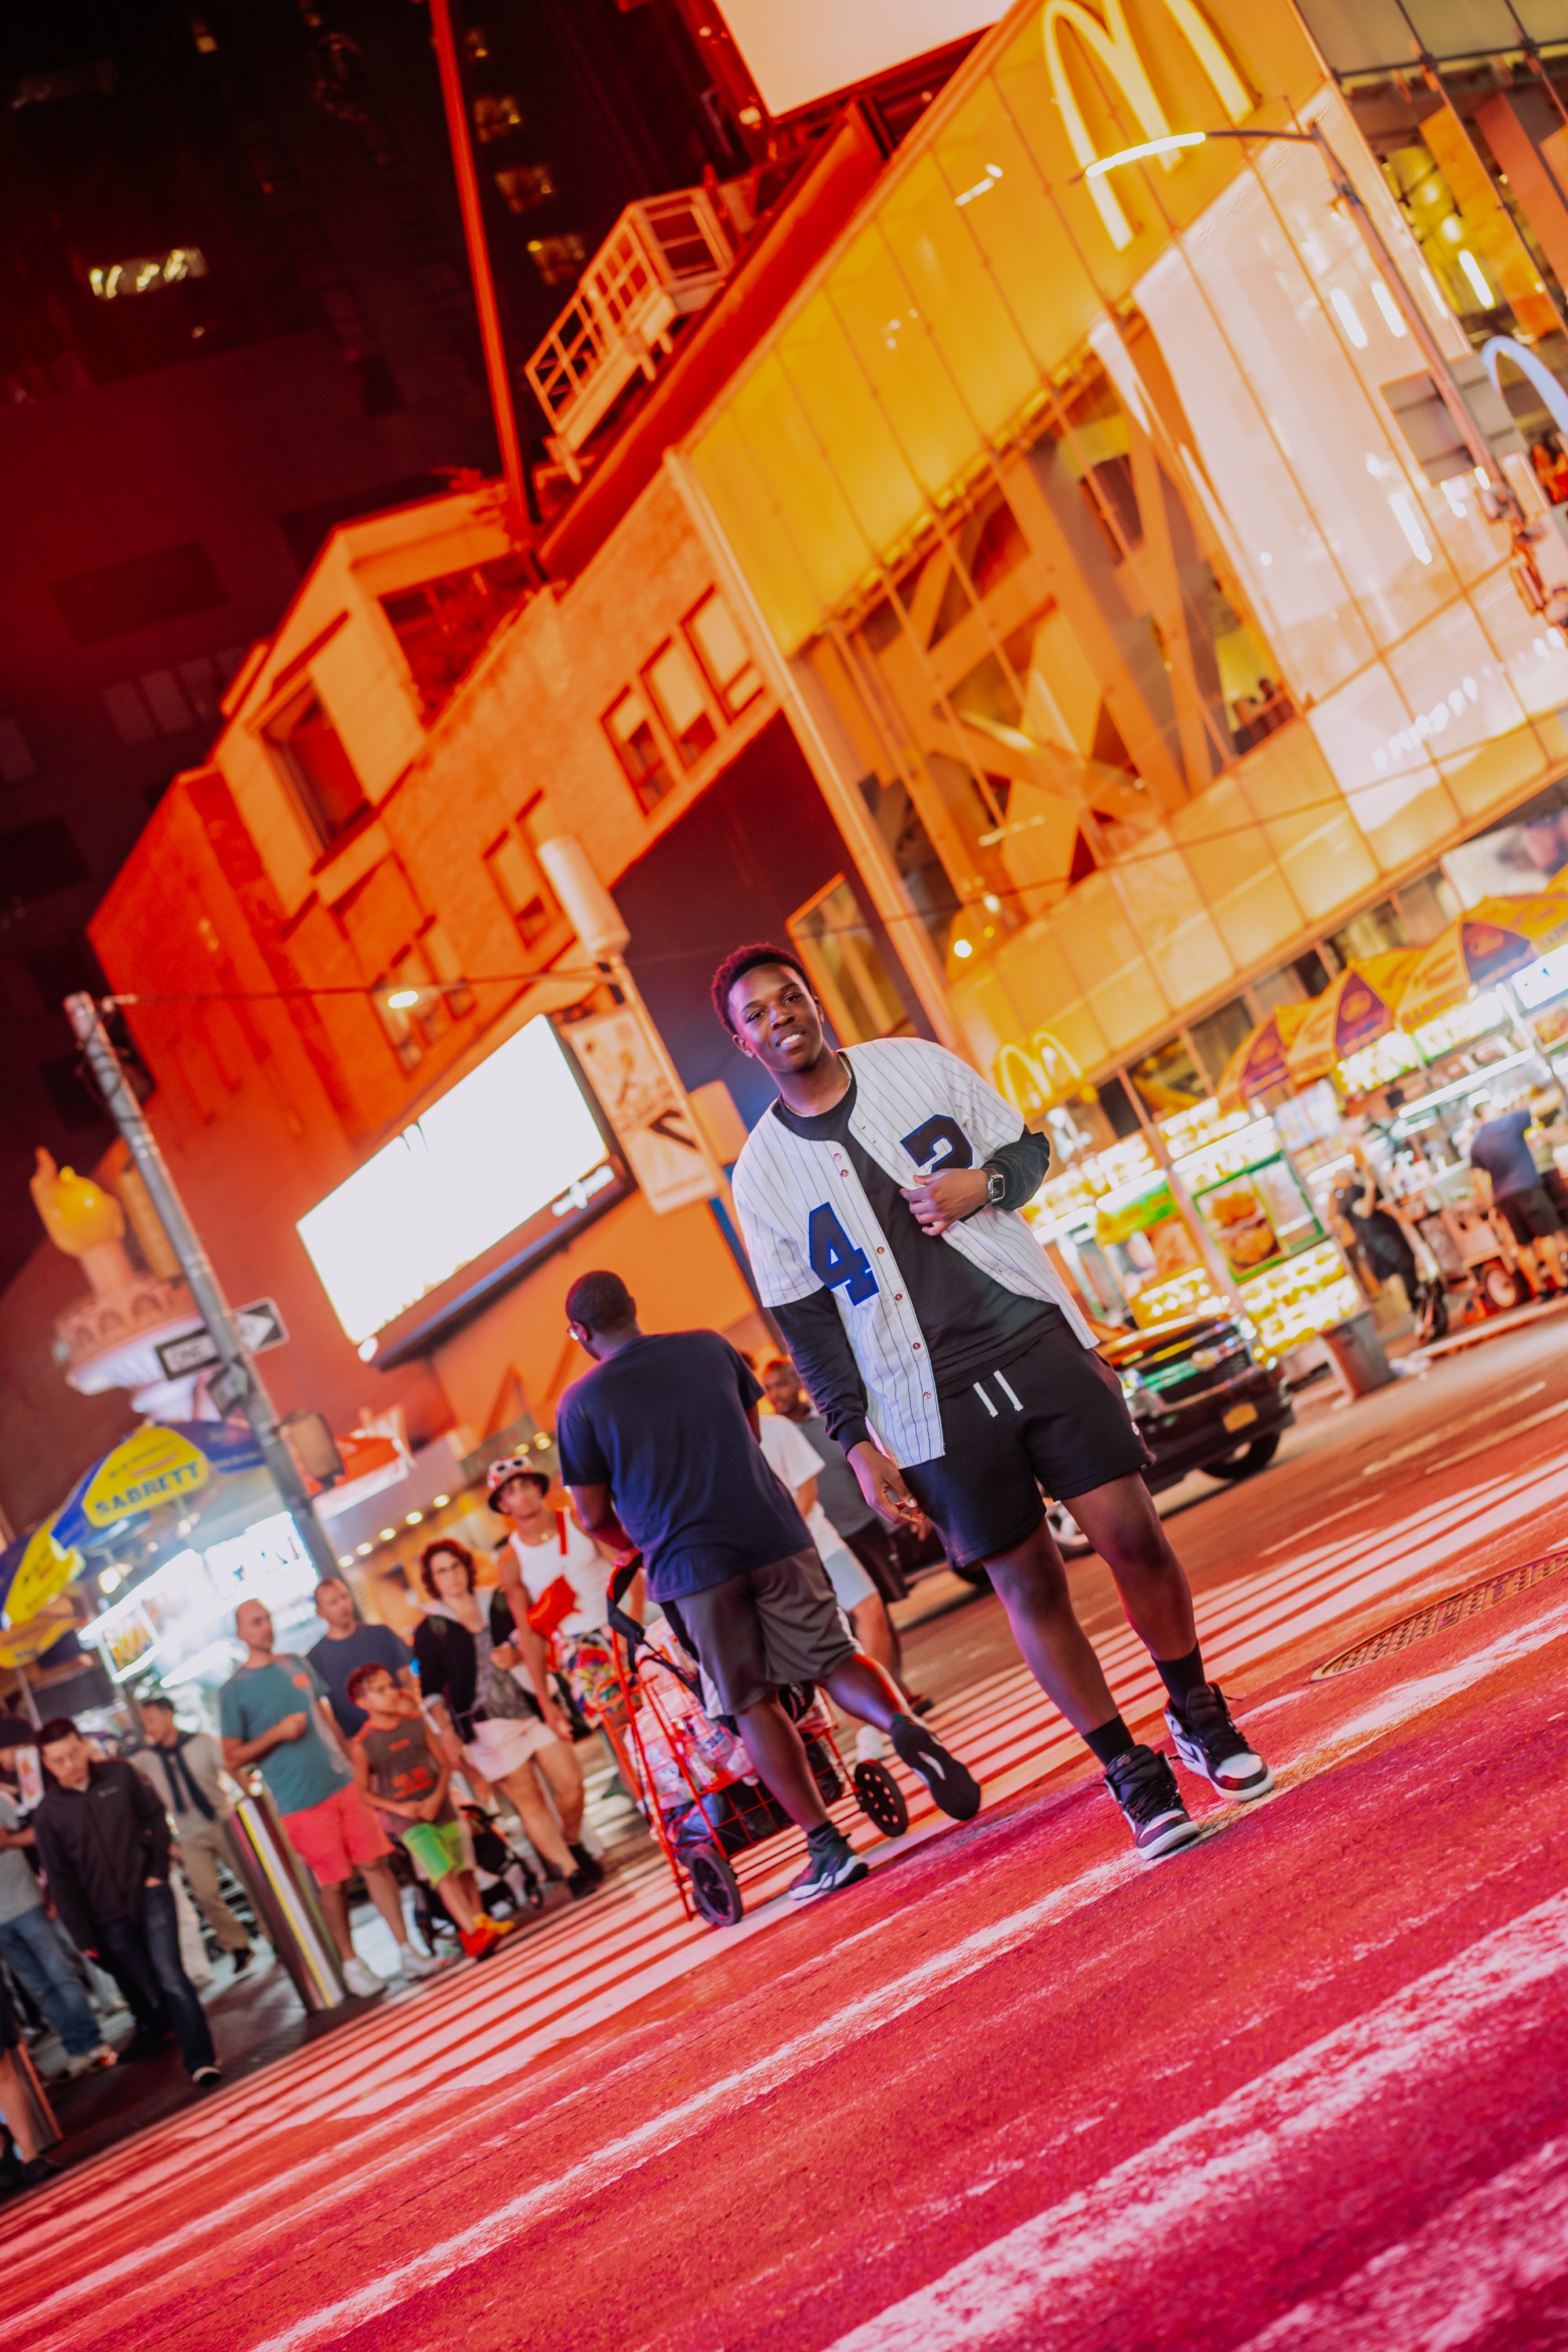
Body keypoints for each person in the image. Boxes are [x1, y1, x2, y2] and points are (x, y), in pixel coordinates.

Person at [717, 942, 1274, 1861]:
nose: (781, 1018)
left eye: (790, 997)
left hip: (1028, 1333)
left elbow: (1029, 1146)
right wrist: (854, 1441)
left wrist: (986, 1184)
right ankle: (1127, 1771)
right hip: (921, 1400)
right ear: (744, 1043)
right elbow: (807, 1327)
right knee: (1027, 1583)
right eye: (758, 1014)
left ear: (813, 1001)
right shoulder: (761, 1175)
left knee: (1131, 1534)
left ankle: (1195, 1712)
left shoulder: (913, 1065)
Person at [555, 1269, 979, 1904]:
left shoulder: (579, 1404)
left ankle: (827, 1847)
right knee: (832, 1657)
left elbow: (591, 1517)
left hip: (691, 1566)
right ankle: (901, 1723)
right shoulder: (709, 1347)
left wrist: (641, 1544)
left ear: (580, 1333)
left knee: (751, 1700)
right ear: (634, 1307)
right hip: (774, 1534)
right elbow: (749, 1436)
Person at [219, 1599, 439, 1992]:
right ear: (240, 1633)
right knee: (333, 1883)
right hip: (299, 1801)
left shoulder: (296, 1664)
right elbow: (231, 1756)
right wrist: (276, 1735)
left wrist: (354, 1768)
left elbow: (326, 1718)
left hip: (343, 1784)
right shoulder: (234, 1691)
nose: (265, 1627)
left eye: (267, 1618)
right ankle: (351, 1965)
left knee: (376, 1864)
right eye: (255, 1622)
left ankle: (407, 1950)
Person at [32, 1717, 220, 2087]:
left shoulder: (120, 1774)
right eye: (58, 1760)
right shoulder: (48, 1814)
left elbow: (156, 1817)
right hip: (107, 1917)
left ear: (84, 1745)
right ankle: (176, 2037)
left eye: (73, 1754)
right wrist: (83, 1937)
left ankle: (201, 2060)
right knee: (151, 1990)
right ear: (45, 1763)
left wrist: (157, 1871)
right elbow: (62, 1881)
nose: (69, 1765)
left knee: (171, 1977)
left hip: (150, 1894)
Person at [412, 1541, 598, 1897]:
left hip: (531, 1704)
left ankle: (572, 1842)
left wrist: (517, 1655)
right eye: (441, 1571)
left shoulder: (495, 1601)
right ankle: (571, 1870)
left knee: (571, 1782)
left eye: (455, 1566)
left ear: (466, 1567)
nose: (451, 1576)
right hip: (487, 1726)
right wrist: (448, 1732)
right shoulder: (430, 1627)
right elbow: (431, 1688)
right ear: (432, 1580)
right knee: (530, 1800)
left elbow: (531, 1639)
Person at [757, 1357, 927, 1712]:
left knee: (877, 1612)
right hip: (818, 1540)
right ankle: (883, 1699)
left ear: (798, 1383)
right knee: (853, 1619)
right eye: (769, 1388)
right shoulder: (767, 1436)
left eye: (781, 1385)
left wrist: (891, 1517)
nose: (775, 1394)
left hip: (858, 1530)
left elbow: (863, 1473)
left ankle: (896, 1690)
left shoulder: (827, 1425)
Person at [346, 1664, 509, 1962]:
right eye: (380, 1690)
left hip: (442, 1808)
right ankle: (472, 1931)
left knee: (463, 1867)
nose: (391, 1693)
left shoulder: (415, 1723)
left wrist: (437, 1796)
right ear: (362, 1701)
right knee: (442, 1872)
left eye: (390, 1685)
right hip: (409, 1821)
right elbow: (364, 1793)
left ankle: (480, 1922)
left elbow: (443, 1764)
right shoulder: (364, 1744)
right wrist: (400, 1808)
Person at [488, 1454, 636, 1751]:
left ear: (538, 1487)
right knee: (619, 1733)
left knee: (662, 1706)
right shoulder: (511, 1561)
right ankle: (639, 1783)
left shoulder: (578, 1520)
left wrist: (634, 1621)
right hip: (576, 1647)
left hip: (621, 1623)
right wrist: (546, 1701)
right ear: (503, 1505)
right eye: (511, 1491)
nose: (521, 1494)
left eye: (526, 1485)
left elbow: (628, 1568)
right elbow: (528, 1633)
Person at [0, 1716, 114, 2079]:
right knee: (39, 1986)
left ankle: (93, 2040)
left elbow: (38, 1833)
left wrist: (13, 1844)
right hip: (9, 1914)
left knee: (60, 1972)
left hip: (29, 1899)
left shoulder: (12, 1792)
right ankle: (76, 2046)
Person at [132, 1696, 255, 1975]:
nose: (148, 1727)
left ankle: (276, 1937)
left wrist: (250, 1796)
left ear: (168, 1715)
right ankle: (238, 1945)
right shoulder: (146, 1760)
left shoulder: (202, 1742)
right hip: (189, 1836)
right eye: (144, 1723)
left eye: (151, 1720)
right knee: (205, 1894)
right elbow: (123, 1776)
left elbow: (232, 1766)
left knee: (252, 1881)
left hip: (223, 1823)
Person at [1468, 1094, 1568, 1292]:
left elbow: (1478, 1179)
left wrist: (1491, 1206)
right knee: (1546, 1237)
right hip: (1528, 1189)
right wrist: (1557, 1091)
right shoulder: (1509, 1122)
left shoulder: (1476, 1144)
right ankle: (1561, 1281)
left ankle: (1539, 1288)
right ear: (1488, 1110)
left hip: (1505, 1199)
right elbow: (1542, 1105)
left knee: (1524, 1245)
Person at [307, 1577, 418, 1740]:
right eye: (333, 1602)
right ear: (320, 1612)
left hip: (405, 1728)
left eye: (345, 1597)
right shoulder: (314, 1659)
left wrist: (413, 1715)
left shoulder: (382, 1633)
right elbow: (325, 1714)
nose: (343, 1605)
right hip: (362, 1742)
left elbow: (407, 1680)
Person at [1330, 1156, 1428, 1316]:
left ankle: (1411, 1308)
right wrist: (1370, 1187)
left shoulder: (1342, 1198)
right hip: (1381, 1237)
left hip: (1371, 1240)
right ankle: (1415, 1303)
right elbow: (1364, 1210)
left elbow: (1338, 1222)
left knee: (1392, 1273)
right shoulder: (1354, 1191)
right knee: (1404, 1266)